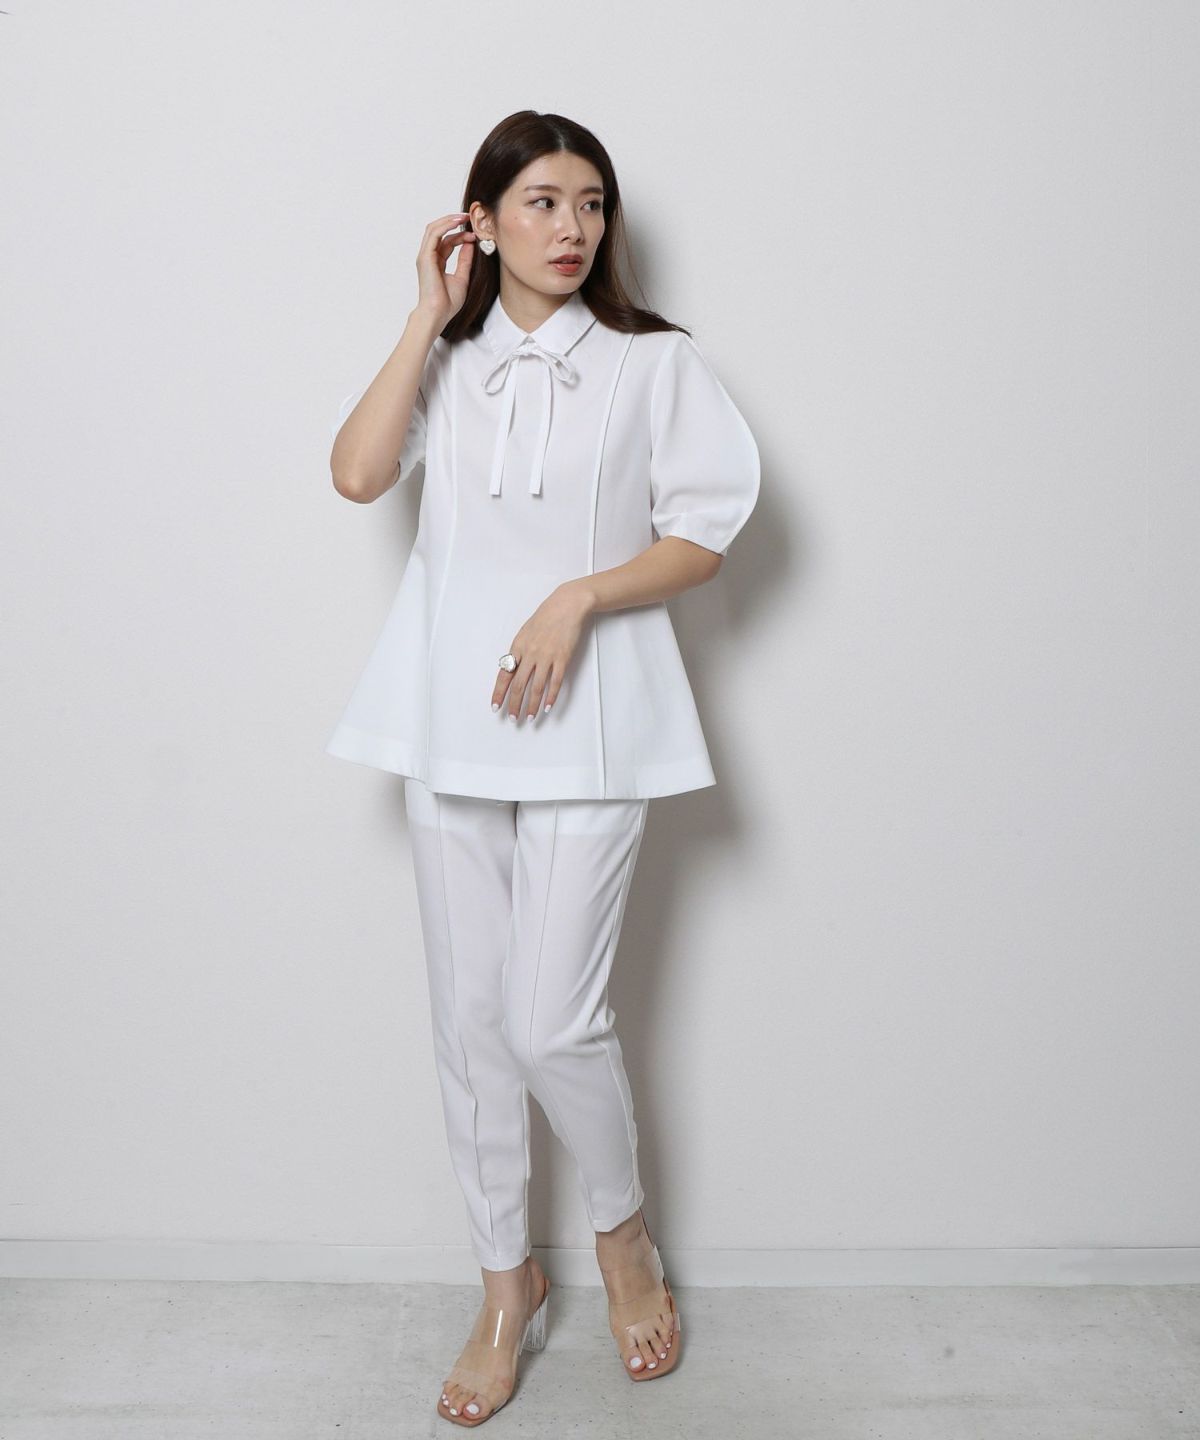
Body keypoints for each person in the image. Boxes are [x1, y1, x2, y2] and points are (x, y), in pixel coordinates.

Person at [326, 111, 760, 1428]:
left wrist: (579, 596)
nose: (573, 228)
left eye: (591, 204)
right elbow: (357, 475)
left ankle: (621, 1236)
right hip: (446, 719)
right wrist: (426, 315)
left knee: (550, 1018)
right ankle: (504, 1284)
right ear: (482, 220)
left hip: (596, 716)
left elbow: (706, 531)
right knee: (471, 1023)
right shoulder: (447, 363)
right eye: (542, 202)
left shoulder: (650, 363)